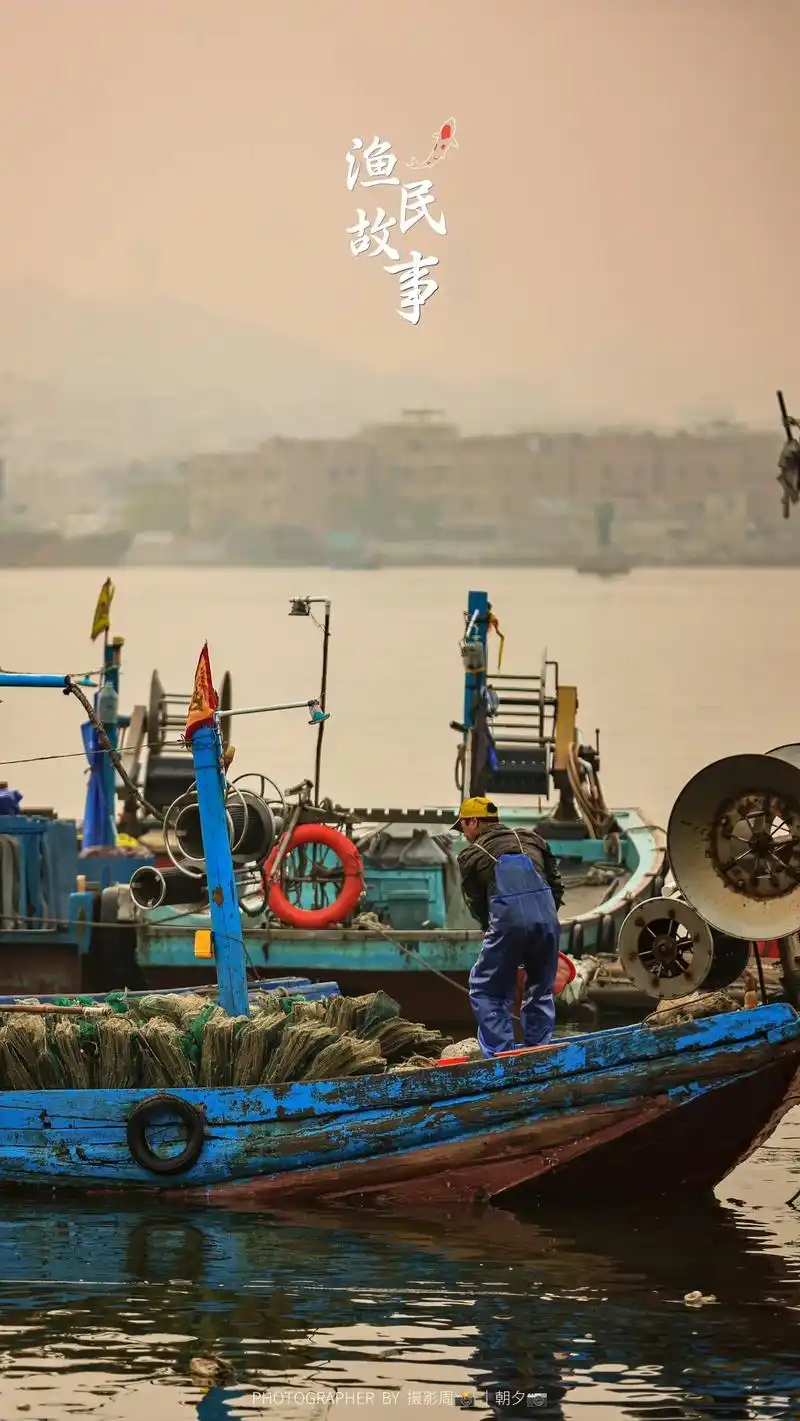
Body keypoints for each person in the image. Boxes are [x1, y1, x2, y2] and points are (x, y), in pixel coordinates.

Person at [453, 796, 564, 1058]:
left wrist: (496, 932)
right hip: (547, 921)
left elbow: (478, 904)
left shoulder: (471, 854)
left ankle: (501, 1056)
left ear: (474, 821)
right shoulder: (534, 839)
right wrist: (542, 922)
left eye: (463, 827)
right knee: (540, 989)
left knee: (485, 989)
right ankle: (539, 1053)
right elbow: (557, 885)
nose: (464, 835)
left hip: (507, 924)